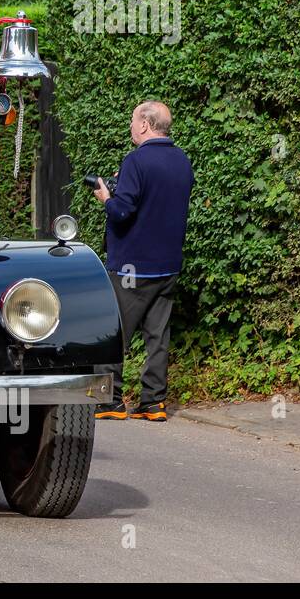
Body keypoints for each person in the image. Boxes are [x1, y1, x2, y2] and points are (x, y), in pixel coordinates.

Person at [92, 101, 195, 421]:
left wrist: (107, 196)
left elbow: (123, 212)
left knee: (112, 332)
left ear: (145, 125)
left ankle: (110, 401)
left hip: (132, 267)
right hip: (168, 264)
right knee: (157, 336)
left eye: (132, 119)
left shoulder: (136, 161)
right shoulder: (182, 160)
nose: (130, 125)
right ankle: (153, 402)